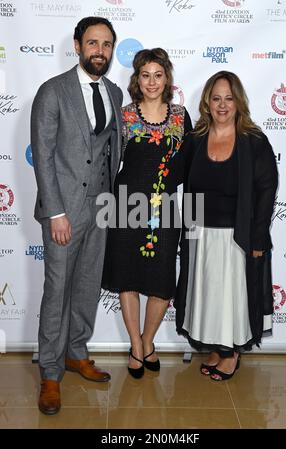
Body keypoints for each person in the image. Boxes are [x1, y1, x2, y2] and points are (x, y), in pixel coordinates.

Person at [31, 16, 123, 415]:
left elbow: (111, 149)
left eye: (105, 44)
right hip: (64, 210)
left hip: (101, 206)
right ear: (77, 45)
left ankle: (75, 352)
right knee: (57, 292)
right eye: (92, 43)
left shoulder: (116, 92)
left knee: (87, 285)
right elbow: (44, 157)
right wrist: (55, 212)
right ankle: (50, 373)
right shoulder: (52, 92)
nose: (98, 50)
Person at [175, 71, 278, 381]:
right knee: (208, 295)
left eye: (228, 98)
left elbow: (266, 189)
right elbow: (174, 175)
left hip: (237, 236)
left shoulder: (254, 140)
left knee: (232, 297)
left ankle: (232, 355)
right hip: (200, 234)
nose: (222, 105)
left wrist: (258, 237)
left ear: (238, 102)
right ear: (208, 101)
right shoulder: (195, 138)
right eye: (216, 98)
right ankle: (217, 348)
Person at [102, 48, 192, 378]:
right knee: (127, 276)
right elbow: (109, 163)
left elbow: (188, 166)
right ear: (136, 79)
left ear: (166, 78)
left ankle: (148, 341)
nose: (152, 81)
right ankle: (136, 348)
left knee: (161, 281)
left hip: (166, 209)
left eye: (158, 75)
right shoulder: (123, 116)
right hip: (126, 206)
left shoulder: (181, 116)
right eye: (145, 75)